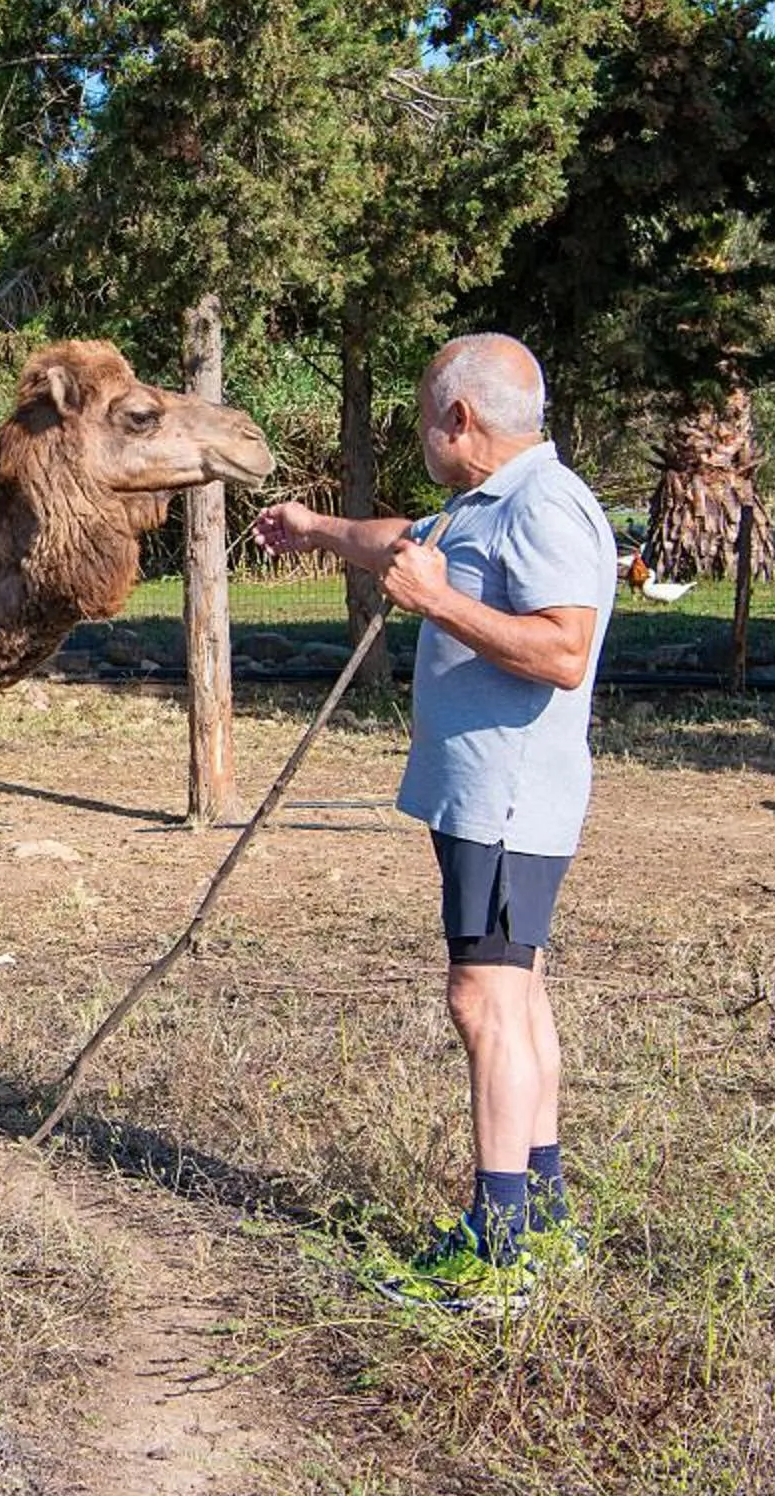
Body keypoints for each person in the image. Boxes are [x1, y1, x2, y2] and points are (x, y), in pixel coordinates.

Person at [250, 333, 615, 1311]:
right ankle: (542, 1221)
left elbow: (563, 648)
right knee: (518, 998)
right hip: (488, 802)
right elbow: (411, 539)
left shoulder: (542, 506)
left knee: (483, 1001)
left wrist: (439, 602)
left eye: (422, 416)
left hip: (506, 800)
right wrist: (320, 529)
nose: (420, 434)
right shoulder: (490, 501)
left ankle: (500, 1248)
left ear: (461, 420)